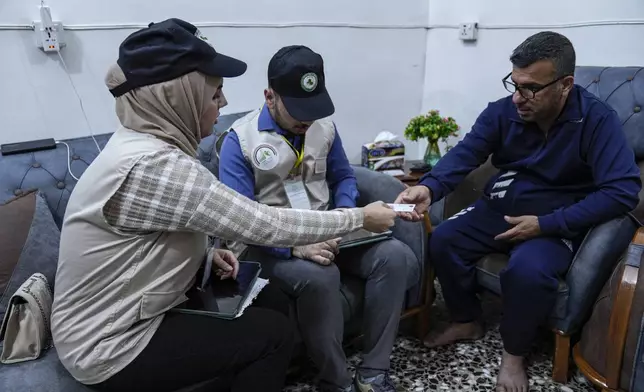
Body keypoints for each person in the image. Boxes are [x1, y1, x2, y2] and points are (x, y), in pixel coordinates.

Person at [50, 19, 397, 392]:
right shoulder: (153, 166)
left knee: (273, 297)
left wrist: (204, 257)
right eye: (215, 94)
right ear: (176, 98)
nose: (225, 102)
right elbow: (261, 224)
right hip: (108, 343)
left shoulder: (145, 145)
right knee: (273, 335)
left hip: (129, 315)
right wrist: (358, 217)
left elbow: (148, 237)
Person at [395, 31, 641, 392]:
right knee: (445, 238)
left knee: (528, 271)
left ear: (565, 85)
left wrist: (547, 224)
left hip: (555, 220)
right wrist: (429, 186)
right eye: (514, 82)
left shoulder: (596, 121)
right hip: (501, 206)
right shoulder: (502, 112)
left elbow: (622, 190)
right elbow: (467, 153)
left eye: (530, 88)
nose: (517, 96)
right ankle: (467, 319)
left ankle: (513, 355)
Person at [218, 45, 419, 392]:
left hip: (329, 229)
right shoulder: (240, 140)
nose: (306, 119)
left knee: (395, 255)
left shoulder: (324, 129)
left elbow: (343, 177)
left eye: (313, 107)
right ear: (270, 97)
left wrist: (344, 213)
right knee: (319, 275)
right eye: (297, 109)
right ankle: (335, 381)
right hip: (272, 244)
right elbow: (240, 221)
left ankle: (373, 372)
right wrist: (294, 246)